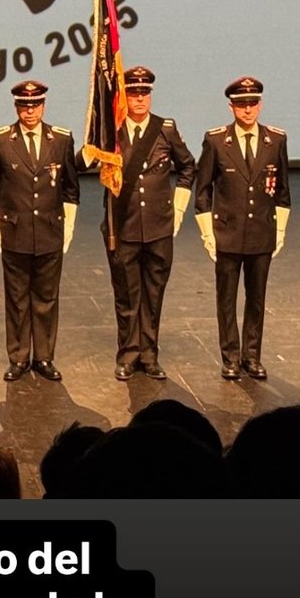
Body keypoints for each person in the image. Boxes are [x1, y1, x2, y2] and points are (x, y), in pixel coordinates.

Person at [0, 79, 79, 382]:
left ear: (43, 106)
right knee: (18, 298)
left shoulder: (60, 140)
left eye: (35, 105)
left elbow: (71, 188)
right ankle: (19, 357)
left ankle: (44, 357)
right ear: (16, 107)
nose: (30, 111)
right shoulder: (0, 140)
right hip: (15, 232)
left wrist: (69, 227)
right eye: (24, 105)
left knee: (47, 298)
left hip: (49, 231)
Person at [102, 66, 196, 381]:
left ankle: (149, 354)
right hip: (124, 227)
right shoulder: (110, 130)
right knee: (127, 295)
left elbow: (187, 167)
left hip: (158, 227)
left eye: (144, 94)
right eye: (133, 94)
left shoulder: (165, 129)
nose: (139, 100)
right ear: (124, 97)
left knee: (154, 294)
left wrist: (178, 209)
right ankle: (128, 355)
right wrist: (93, 140)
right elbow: (81, 161)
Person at [194, 76, 291, 380]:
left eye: (252, 103)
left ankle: (252, 356)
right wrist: (208, 233)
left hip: (262, 231)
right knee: (226, 299)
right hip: (228, 232)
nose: (247, 110)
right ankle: (231, 357)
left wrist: (280, 231)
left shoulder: (275, 140)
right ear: (231, 107)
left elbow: (283, 190)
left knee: (257, 298)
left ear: (259, 105)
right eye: (241, 104)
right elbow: (203, 190)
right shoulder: (216, 141)